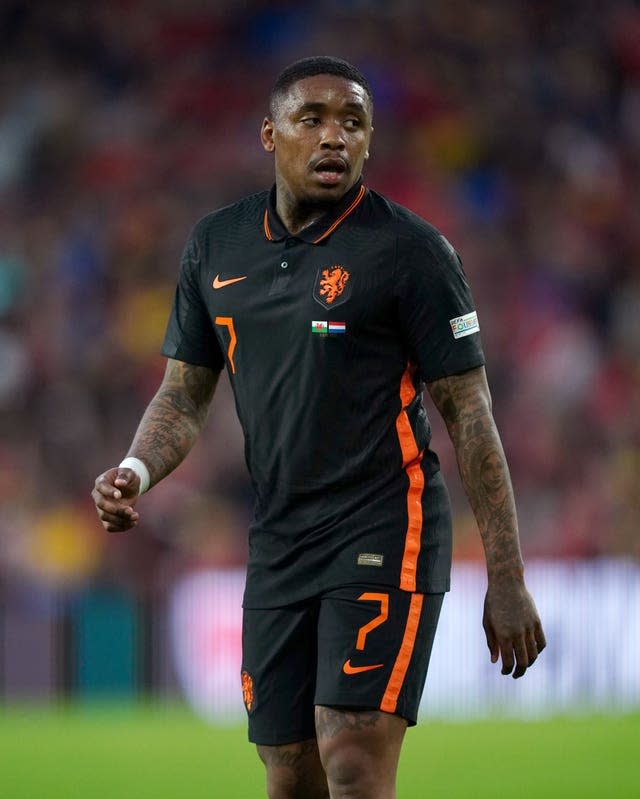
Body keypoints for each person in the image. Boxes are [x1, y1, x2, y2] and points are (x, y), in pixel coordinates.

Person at [92, 56, 546, 799]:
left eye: (353, 123)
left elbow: (470, 415)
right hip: (279, 536)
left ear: (369, 141)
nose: (334, 137)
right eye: (313, 120)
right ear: (270, 134)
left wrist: (508, 575)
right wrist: (134, 471)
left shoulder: (411, 252)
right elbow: (183, 394)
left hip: (383, 523)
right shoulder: (216, 245)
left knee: (353, 758)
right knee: (289, 773)